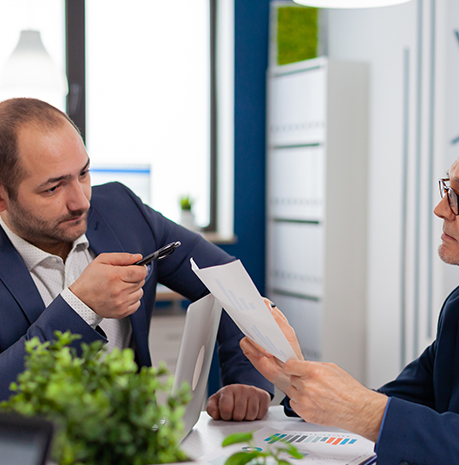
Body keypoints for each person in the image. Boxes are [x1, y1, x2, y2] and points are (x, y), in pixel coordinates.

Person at [242, 125, 459, 465]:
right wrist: (294, 373)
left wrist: (368, 413)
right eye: (447, 189)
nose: (441, 209)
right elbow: (390, 405)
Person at [0, 97, 272, 421]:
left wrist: (247, 379)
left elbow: (225, 278)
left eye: (83, 173)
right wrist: (80, 306)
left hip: (136, 449)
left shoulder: (121, 209)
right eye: (53, 188)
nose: (80, 201)